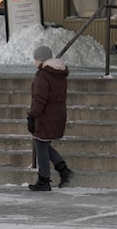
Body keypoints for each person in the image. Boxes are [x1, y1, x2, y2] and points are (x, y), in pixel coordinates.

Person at [27, 45, 74, 191]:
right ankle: (63, 170)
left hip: (45, 115)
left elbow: (39, 100)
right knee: (43, 144)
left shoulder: (43, 76)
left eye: (35, 59)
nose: (35, 62)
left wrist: (32, 116)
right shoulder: (59, 74)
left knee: (40, 144)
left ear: (41, 60)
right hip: (57, 114)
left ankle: (44, 180)